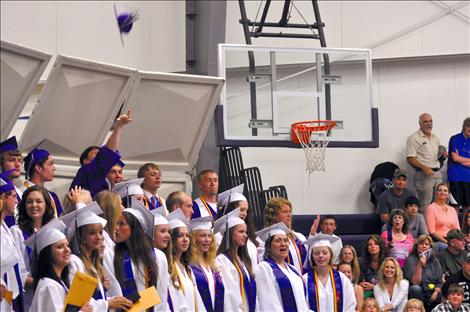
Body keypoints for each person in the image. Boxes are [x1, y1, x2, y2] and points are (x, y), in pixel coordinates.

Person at [62, 202, 132, 311]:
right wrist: (108, 304)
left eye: (100, 232)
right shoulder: (74, 262)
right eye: (92, 233)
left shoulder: (94, 264)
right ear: (82, 236)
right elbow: (80, 302)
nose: (99, 237)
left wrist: (115, 300)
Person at [110, 198, 169, 311]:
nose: (116, 228)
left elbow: (161, 295)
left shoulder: (158, 256)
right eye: (116, 223)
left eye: (122, 224)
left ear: (135, 228)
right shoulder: (113, 255)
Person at [25, 219, 93, 312]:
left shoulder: (60, 283)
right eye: (60, 247)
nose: (67, 250)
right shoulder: (49, 286)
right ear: (48, 254)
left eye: (67, 245)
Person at [10, 185, 56, 310]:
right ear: (23, 205)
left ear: (46, 204)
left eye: (39, 201)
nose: (34, 205)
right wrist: (41, 283)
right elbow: (19, 272)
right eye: (29, 202)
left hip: (52, 293)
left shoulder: (53, 231)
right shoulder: (17, 232)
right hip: (29, 296)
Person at [70, 110, 132, 197]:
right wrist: (119, 127)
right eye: (96, 154)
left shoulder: (105, 180)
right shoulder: (86, 173)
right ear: (86, 161)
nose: (100, 155)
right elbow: (108, 151)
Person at [255, 222, 309, 312]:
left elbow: (302, 303)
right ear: (268, 246)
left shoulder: (293, 270)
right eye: (278, 240)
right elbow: (268, 303)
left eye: (285, 240)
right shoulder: (263, 268)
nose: (283, 244)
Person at [215, 208, 257, 312]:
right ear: (230, 234)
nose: (245, 235)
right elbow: (230, 293)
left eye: (246, 232)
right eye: (241, 232)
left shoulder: (243, 260)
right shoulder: (222, 261)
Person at [303, 233, 356, 311]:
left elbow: (350, 305)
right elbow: (302, 306)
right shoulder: (305, 280)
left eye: (325, 253)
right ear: (312, 257)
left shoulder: (342, 279)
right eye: (316, 253)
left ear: (331, 255)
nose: (321, 256)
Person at [407, 113, 448, 211]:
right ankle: (425, 226)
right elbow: (410, 158)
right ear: (420, 123)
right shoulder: (413, 138)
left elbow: (438, 156)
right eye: (425, 122)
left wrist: (443, 155)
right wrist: (425, 168)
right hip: (423, 175)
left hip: (437, 173)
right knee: (425, 205)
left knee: (439, 203)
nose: (429, 124)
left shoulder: (435, 137)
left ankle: (435, 226)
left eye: (430, 121)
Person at [216, 184, 260, 271]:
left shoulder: (249, 237)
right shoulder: (218, 237)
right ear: (230, 210)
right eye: (242, 210)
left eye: (246, 211)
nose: (245, 214)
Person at [263, 197, 311, 275]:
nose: (289, 215)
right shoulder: (264, 238)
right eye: (285, 212)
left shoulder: (298, 236)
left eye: (290, 211)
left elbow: (307, 261)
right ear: (274, 215)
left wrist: (312, 237)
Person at [0, 177, 27, 312]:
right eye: (14, 197)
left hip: (12, 292)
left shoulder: (5, 228)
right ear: (3, 198)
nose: (17, 201)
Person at [189, 216, 225, 312]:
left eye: (209, 236)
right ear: (193, 239)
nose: (207, 240)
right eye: (202, 236)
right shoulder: (189, 265)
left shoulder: (214, 265)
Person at [403, 234, 443, 310]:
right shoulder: (410, 260)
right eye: (421, 243)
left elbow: (440, 281)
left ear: (430, 247)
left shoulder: (435, 261)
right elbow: (415, 282)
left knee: (439, 293)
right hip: (418, 291)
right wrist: (419, 265)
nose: (424, 246)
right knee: (416, 288)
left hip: (431, 291)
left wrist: (436, 292)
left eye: (427, 244)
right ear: (417, 246)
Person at [167, 208, 195, 312]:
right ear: (172, 239)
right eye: (180, 236)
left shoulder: (187, 268)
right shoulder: (168, 267)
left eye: (187, 236)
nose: (185, 239)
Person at [23, 146, 63, 217]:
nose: (54, 168)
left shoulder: (52, 196)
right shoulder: (21, 194)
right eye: (50, 164)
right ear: (38, 168)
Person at [425, 183, 460, 249]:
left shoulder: (452, 209)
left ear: (448, 194)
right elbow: (432, 232)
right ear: (436, 193)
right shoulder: (431, 208)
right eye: (440, 190)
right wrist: (447, 242)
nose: (442, 192)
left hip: (452, 239)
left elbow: (457, 229)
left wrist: (458, 241)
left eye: (445, 190)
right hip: (438, 240)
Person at [0, 137, 23, 226]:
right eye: (11, 160)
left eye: (19, 160)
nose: (17, 164)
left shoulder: (20, 193)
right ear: (1, 163)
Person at [448, 117, 470, 211]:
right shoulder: (454, 139)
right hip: (455, 177)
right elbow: (454, 158)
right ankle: (455, 226)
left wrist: (460, 159)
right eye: (469, 130)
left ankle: (465, 225)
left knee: (468, 207)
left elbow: (457, 158)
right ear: (464, 128)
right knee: (454, 206)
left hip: (468, 178)